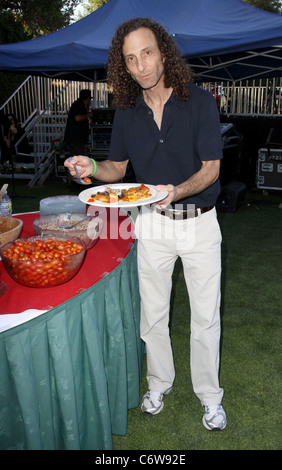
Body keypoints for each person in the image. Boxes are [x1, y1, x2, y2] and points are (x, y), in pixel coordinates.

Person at [64, 17, 227, 431]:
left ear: (163, 52)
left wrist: (177, 190)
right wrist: (91, 166)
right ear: (124, 66)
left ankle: (209, 396)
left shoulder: (201, 102)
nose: (142, 66)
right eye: (131, 59)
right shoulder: (127, 111)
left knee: (205, 317)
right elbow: (117, 169)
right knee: (152, 315)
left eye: (147, 53)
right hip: (151, 224)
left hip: (199, 223)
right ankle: (159, 382)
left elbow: (211, 170)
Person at [64, 89, 93, 158]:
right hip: (75, 139)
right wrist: (88, 115)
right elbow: (78, 118)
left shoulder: (81, 105)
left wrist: (88, 107)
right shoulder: (78, 105)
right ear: (87, 98)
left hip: (78, 139)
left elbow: (83, 113)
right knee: (78, 158)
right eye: (89, 99)